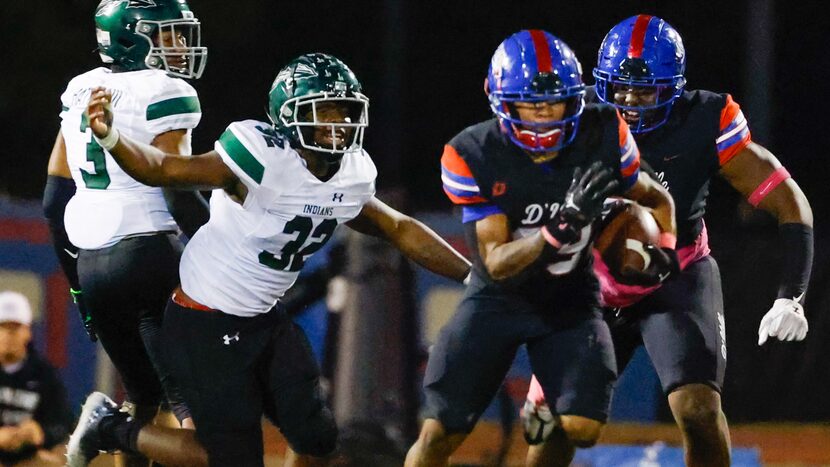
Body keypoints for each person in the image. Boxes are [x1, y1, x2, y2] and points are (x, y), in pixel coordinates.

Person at [68, 52, 472, 467]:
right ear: (288, 116)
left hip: (263, 318)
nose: (336, 126)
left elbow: (398, 227)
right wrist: (112, 137)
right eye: (323, 113)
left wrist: (471, 275)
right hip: (204, 322)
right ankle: (108, 426)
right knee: (230, 458)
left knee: (317, 439)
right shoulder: (260, 158)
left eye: (344, 112)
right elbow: (166, 169)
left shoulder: (352, 173)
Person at [522, 16, 814, 467]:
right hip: (592, 285)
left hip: (675, 274)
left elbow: (789, 203)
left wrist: (790, 295)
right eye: (620, 88)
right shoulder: (571, 124)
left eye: (645, 91)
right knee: (558, 425)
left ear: (674, 89)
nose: (630, 101)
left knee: (698, 410)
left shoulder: (703, 120)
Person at [404, 30, 678, 467]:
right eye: (532, 103)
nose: (544, 116)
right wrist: (560, 227)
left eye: (554, 102)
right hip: (499, 299)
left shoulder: (603, 132)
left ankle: (548, 403)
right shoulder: (473, 152)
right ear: (501, 102)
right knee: (442, 433)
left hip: (570, 297)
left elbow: (657, 198)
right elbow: (495, 262)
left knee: (584, 429)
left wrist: (663, 247)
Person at [43, 0, 210, 464]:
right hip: (152, 255)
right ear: (133, 37)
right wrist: (223, 250)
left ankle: (111, 426)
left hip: (94, 265)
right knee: (207, 428)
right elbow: (175, 189)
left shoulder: (81, 89)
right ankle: (105, 426)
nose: (179, 46)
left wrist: (79, 289)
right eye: (168, 35)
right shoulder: (165, 90)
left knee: (143, 404)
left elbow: (54, 201)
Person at [0, 292, 73, 467]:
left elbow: (62, 423)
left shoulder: (44, 374)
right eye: (3, 327)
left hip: (29, 457)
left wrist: (39, 432)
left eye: (15, 327)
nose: (9, 334)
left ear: (27, 332)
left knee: (52, 461)